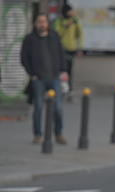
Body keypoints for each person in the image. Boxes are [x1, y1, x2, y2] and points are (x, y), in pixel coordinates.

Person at [20, 13, 68, 145]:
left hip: (54, 77)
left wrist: (63, 71)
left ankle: (58, 133)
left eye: (44, 22)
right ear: (35, 24)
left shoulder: (54, 37)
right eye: (39, 22)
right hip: (38, 79)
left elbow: (61, 54)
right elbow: (24, 58)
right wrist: (32, 74)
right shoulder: (30, 39)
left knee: (58, 107)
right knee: (39, 107)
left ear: (47, 23)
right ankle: (37, 134)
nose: (42, 24)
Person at [54, 3, 83, 99]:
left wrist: (79, 48)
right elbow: (56, 34)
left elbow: (80, 34)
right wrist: (66, 26)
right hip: (61, 49)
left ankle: (69, 91)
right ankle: (62, 90)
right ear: (66, 11)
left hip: (71, 49)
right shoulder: (59, 21)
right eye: (71, 10)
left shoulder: (75, 21)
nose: (72, 12)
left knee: (69, 71)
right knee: (62, 70)